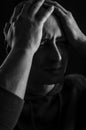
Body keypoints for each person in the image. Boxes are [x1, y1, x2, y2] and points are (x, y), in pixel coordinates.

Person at [0, 0, 86, 129]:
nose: (57, 57)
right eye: (42, 43)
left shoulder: (78, 89)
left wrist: (81, 40)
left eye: (62, 42)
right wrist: (22, 47)